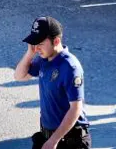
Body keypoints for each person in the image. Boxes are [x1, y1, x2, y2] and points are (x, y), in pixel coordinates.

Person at [14, 17, 91, 149]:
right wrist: (29, 54)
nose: (36, 48)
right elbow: (19, 76)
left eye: (40, 43)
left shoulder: (70, 67)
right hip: (47, 135)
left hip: (70, 140)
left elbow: (76, 108)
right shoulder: (44, 59)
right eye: (34, 43)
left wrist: (53, 141)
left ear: (56, 41)